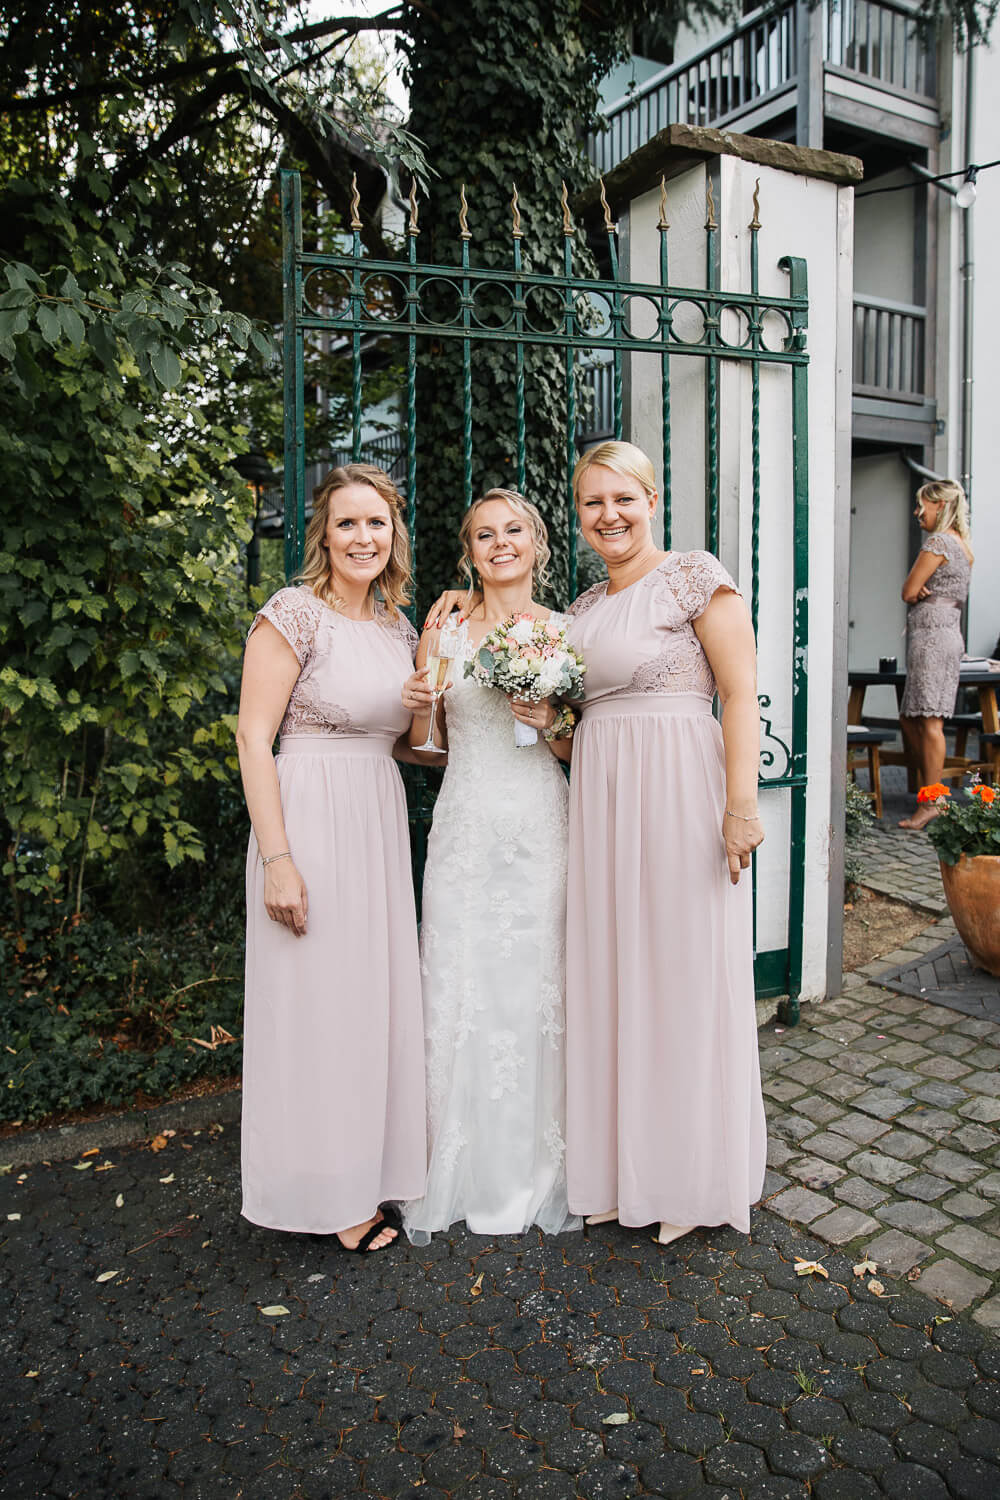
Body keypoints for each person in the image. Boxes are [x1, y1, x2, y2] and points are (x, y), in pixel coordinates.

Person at [562, 440, 766, 1244]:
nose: (608, 515)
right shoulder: (581, 609)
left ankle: (689, 1178)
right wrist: (544, 722)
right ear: (579, 514)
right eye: (592, 502)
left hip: (680, 793)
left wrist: (740, 805)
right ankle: (625, 1171)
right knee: (615, 974)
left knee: (680, 971)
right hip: (602, 802)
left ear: (652, 500)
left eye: (623, 498)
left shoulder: (692, 576)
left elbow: (741, 691)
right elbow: (577, 730)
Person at [236, 463, 426, 1253]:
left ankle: (368, 1171)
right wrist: (278, 860)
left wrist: (432, 716)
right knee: (314, 1010)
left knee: (367, 1007)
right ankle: (325, 1198)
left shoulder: (399, 629)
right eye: (347, 522)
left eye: (376, 523)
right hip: (308, 820)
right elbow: (253, 738)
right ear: (323, 533)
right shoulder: (292, 614)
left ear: (393, 534)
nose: (363, 537)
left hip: (376, 819)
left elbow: (410, 748)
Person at [400, 489, 580, 1244]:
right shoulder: (442, 628)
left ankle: (538, 1167)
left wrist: (551, 719)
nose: (500, 543)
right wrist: (420, 704)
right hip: (467, 827)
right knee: (460, 981)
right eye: (484, 534)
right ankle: (457, 1165)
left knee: (535, 985)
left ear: (537, 544)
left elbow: (574, 749)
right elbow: (425, 746)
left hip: (540, 826)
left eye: (513, 531)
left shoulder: (565, 631)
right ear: (469, 552)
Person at [898, 480, 974, 832]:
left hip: (932, 637)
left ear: (940, 506)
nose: (918, 513)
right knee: (912, 718)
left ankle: (933, 801)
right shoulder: (962, 545)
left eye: (922, 505)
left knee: (929, 720)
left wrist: (917, 593)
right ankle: (931, 790)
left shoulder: (939, 542)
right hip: (944, 635)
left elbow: (908, 590)